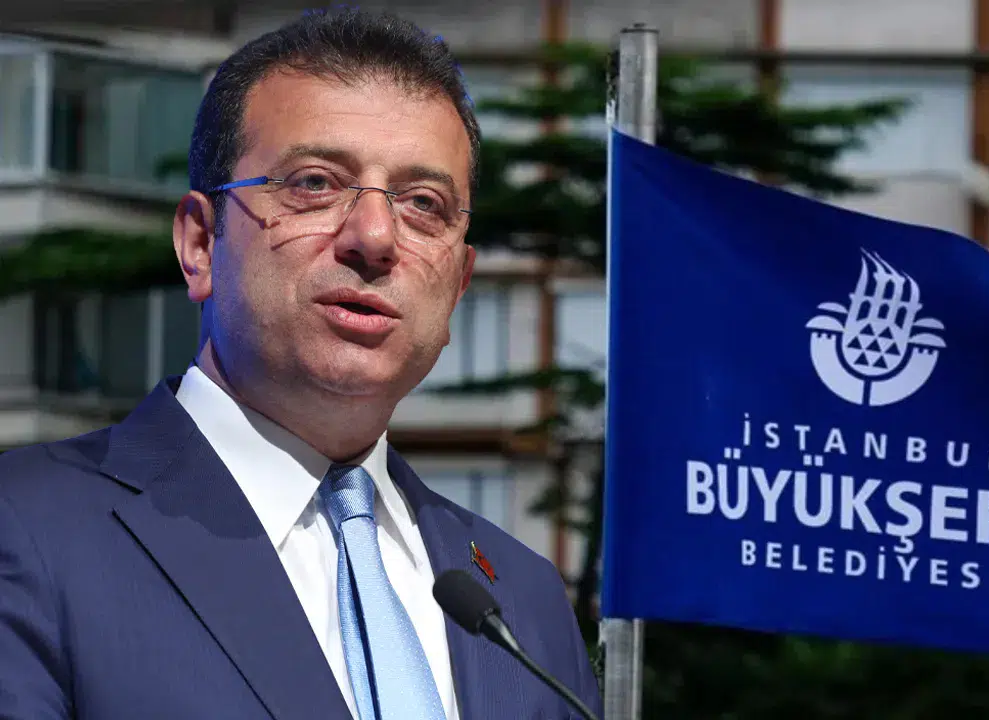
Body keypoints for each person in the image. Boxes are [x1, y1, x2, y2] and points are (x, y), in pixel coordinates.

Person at [0, 8, 602, 720]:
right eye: (315, 183)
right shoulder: (28, 528)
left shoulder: (525, 601)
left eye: (423, 203)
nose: (374, 236)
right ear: (200, 244)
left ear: (459, 282)